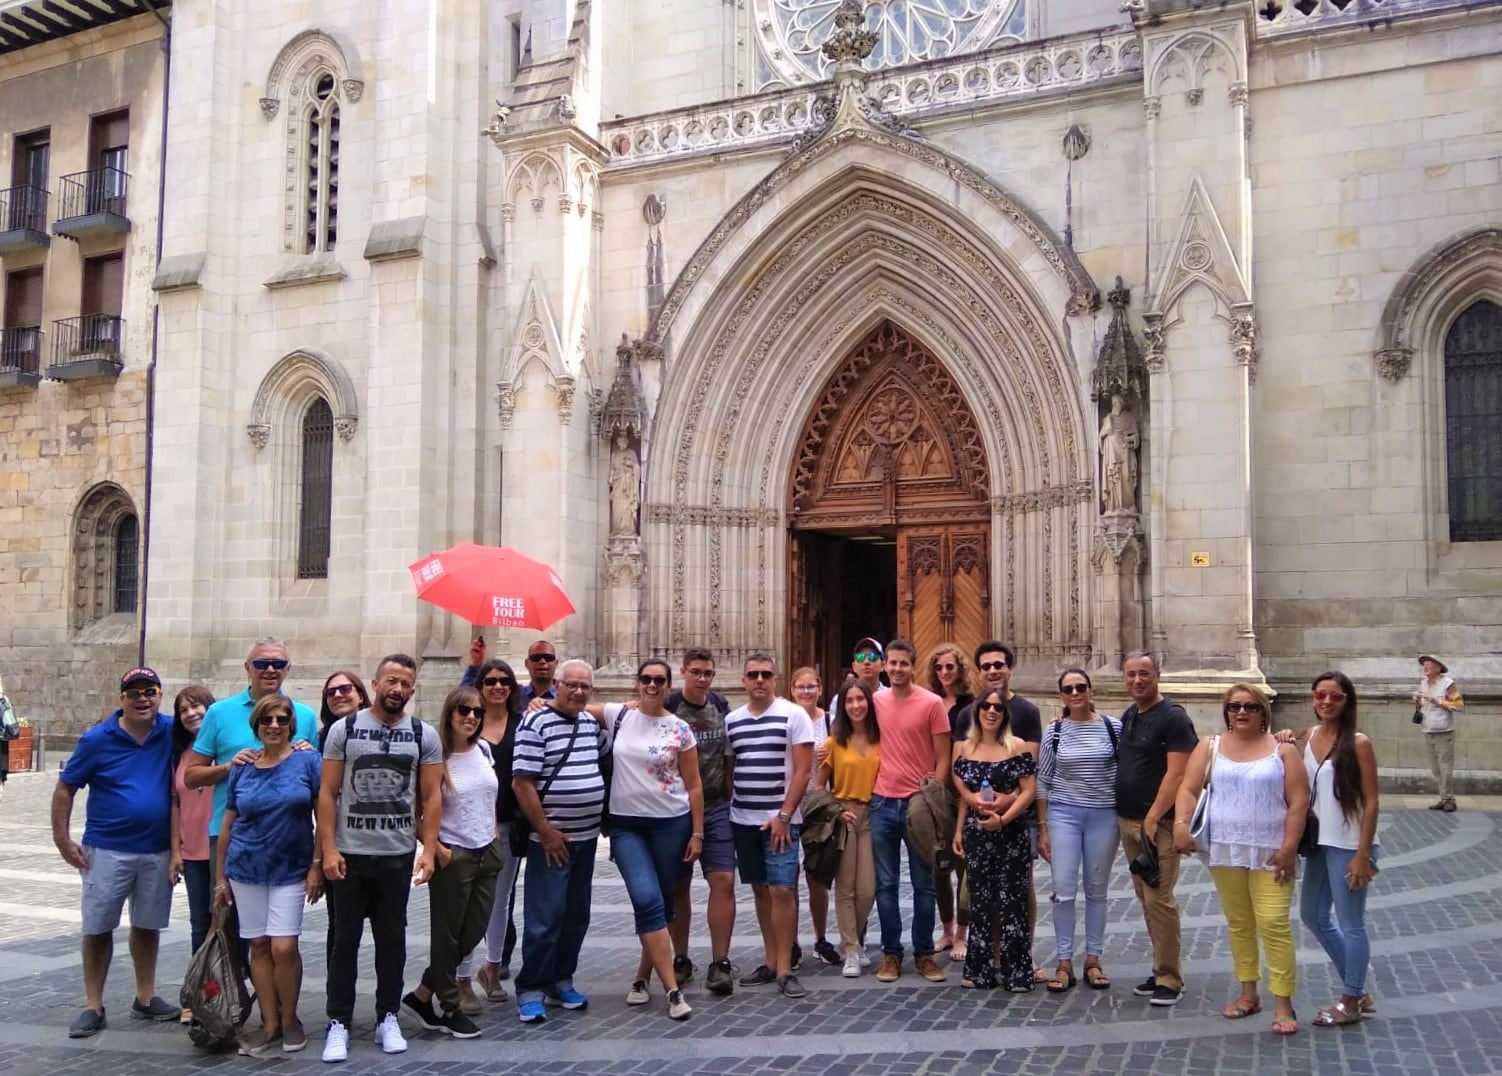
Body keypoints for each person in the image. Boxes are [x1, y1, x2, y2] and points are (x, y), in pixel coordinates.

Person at [318, 654, 444, 1062]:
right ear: (374, 683)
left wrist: (428, 848)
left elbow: (430, 795)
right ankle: (337, 1021)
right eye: (392, 680)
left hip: (395, 855)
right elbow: (327, 793)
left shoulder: (423, 734)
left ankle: (387, 1015)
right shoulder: (345, 729)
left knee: (392, 940)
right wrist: (330, 849)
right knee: (344, 942)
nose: (398, 689)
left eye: (406, 684)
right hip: (350, 855)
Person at [52, 667, 181, 1038]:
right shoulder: (97, 739)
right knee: (97, 928)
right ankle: (93, 1004)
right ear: (122, 698)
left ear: (159, 695)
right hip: (106, 849)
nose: (143, 699)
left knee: (147, 925)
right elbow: (65, 789)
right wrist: (63, 840)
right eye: (134, 692)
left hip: (157, 849)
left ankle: (145, 997)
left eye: (150, 691)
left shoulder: (172, 731)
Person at [1173, 684, 1307, 1036]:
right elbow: (1187, 788)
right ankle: (1249, 993)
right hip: (1225, 848)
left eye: (1250, 706)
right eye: (1234, 707)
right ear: (1226, 712)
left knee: (1274, 922)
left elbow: (1298, 801)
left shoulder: (1284, 751)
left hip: (1271, 851)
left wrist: (1290, 847)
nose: (1241, 712)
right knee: (1239, 923)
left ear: (1264, 711)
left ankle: (1283, 1001)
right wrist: (1181, 824)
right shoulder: (1210, 746)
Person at [213, 693, 325, 1055]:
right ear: (256, 726)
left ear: (291, 724)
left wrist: (317, 865)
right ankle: (270, 1022)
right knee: (258, 945)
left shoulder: (308, 761)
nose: (274, 725)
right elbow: (228, 824)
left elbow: (324, 816)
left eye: (281, 719)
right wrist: (220, 877)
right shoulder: (242, 766)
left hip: (291, 867)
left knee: (284, 945)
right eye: (267, 720)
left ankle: (290, 1018)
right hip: (245, 867)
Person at [597, 659, 702, 1020]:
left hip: (670, 824)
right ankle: (673, 990)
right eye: (646, 679)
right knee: (646, 898)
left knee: (658, 905)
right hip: (626, 826)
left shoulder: (679, 729)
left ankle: (642, 977)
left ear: (669, 684)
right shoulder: (618, 715)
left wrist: (698, 832)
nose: (652, 685)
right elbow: (574, 700)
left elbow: (694, 785)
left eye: (659, 680)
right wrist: (536, 701)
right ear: (637, 682)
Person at [403, 687, 502, 1040]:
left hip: (487, 852)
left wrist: (492, 833)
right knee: (447, 936)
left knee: (473, 931)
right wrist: (435, 848)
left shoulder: (484, 750)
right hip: (453, 854)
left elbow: (489, 796)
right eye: (463, 710)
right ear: (449, 713)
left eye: (477, 712)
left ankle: (421, 995)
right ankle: (448, 1007)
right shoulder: (435, 757)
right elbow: (415, 810)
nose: (471, 717)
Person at [511, 659, 606, 1024]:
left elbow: (604, 759)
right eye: (572, 685)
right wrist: (547, 832)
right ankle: (530, 987)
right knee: (545, 918)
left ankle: (560, 980)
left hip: (585, 839)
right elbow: (522, 782)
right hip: (550, 840)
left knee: (576, 916)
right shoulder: (534, 722)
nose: (579, 691)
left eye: (586, 687)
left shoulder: (588, 724)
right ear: (557, 685)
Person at [185, 638, 319, 878]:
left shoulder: (306, 716)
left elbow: (318, 787)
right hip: (231, 831)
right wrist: (229, 766)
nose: (270, 669)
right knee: (225, 912)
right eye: (261, 663)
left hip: (287, 836)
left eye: (278, 663)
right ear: (247, 668)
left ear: (288, 669)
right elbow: (191, 777)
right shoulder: (218, 713)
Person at [725, 653, 816, 998]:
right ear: (744, 680)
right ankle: (769, 959)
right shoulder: (731, 720)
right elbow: (732, 769)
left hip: (780, 821)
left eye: (766, 674)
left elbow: (804, 771)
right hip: (743, 819)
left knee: (783, 889)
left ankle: (784, 967)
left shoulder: (794, 715)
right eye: (753, 675)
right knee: (761, 890)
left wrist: (783, 815)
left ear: (775, 679)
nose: (759, 680)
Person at [1297, 671, 1381, 1029]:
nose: (1327, 702)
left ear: (1348, 701)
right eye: (1321, 695)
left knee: (1352, 924)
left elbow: (1373, 802)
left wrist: (1363, 855)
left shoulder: (1358, 743)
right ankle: (1358, 988)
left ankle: (1351, 999)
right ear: (1313, 698)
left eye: (1336, 696)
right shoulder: (1309, 735)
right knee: (1312, 915)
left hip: (1349, 845)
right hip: (1318, 843)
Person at [1115, 650, 1197, 1007]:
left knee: (1160, 899)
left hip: (1157, 825)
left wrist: (1153, 817)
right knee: (1145, 898)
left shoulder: (1173, 717)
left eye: (1144, 673)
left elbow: (1178, 773)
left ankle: (1170, 978)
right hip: (1128, 821)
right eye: (1131, 674)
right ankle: (1159, 967)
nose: (1137, 680)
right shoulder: (1130, 714)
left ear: (1157, 675)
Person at [871, 639, 951, 984]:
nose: (897, 669)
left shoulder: (932, 703)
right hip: (882, 802)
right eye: (892, 663)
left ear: (913, 666)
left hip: (919, 805)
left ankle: (924, 954)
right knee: (885, 885)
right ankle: (891, 953)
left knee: (925, 884)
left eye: (904, 663)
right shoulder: (874, 701)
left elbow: (944, 757)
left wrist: (932, 796)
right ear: (884, 666)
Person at [1036, 668, 1120, 992]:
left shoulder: (1113, 727)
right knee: (1063, 891)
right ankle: (1063, 962)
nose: (1075, 693)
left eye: (1080, 687)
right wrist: (1043, 827)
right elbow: (1043, 780)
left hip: (1104, 816)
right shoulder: (1054, 732)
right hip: (1063, 817)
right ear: (1061, 696)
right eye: (1068, 689)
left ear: (1091, 690)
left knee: (1097, 890)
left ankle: (1094, 960)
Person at [950, 686, 1037, 991]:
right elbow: (965, 795)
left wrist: (1004, 818)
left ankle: (1017, 972)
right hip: (976, 836)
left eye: (997, 708)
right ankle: (980, 970)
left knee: (1013, 902)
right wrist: (959, 830)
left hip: (1011, 834)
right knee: (981, 901)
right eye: (985, 706)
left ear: (1005, 714)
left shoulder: (1017, 746)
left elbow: (1028, 791)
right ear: (976, 711)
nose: (991, 712)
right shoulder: (966, 748)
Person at [664, 647, 738, 995]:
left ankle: (720, 963)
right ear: (683, 672)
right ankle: (680, 958)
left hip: (716, 806)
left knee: (723, 879)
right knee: (679, 885)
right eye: (696, 672)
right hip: (677, 808)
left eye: (707, 672)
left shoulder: (721, 706)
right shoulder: (668, 705)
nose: (702, 678)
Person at [468, 658, 524, 1004]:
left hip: (507, 823)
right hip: (470, 825)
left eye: (504, 680)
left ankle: (492, 967)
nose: (498, 686)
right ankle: (461, 975)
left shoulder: (522, 723)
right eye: (490, 681)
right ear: (480, 686)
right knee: (469, 901)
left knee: (499, 901)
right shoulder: (468, 723)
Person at [818, 678, 881, 978]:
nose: (856, 705)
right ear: (842, 706)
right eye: (849, 701)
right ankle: (852, 950)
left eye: (861, 699)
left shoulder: (881, 738)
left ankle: (851, 941)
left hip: (872, 814)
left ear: (870, 702)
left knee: (867, 889)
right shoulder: (833, 742)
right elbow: (818, 788)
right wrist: (836, 811)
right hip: (844, 814)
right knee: (846, 888)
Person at [924, 642, 974, 955]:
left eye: (950, 667)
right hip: (932, 791)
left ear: (960, 670)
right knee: (938, 863)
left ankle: (962, 933)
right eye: (939, 667)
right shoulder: (928, 702)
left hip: (962, 790)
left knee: (965, 865)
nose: (944, 673)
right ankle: (945, 929)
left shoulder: (973, 705)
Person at [790, 665, 837, 969]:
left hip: (819, 807)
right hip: (789, 806)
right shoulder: (785, 718)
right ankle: (790, 942)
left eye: (811, 687)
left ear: (820, 689)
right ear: (791, 690)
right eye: (800, 687)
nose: (806, 692)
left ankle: (820, 939)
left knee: (817, 878)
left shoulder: (831, 722)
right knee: (786, 879)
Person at [171, 686, 216, 964]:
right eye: (183, 710)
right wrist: (176, 851)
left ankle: (230, 991)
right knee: (199, 924)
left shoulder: (224, 746)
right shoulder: (180, 752)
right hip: (193, 852)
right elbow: (175, 803)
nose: (190, 714)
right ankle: (203, 994)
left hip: (222, 848)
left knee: (226, 923)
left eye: (196, 706)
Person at [1414, 655, 1463, 813]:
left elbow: (1459, 705)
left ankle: (1450, 800)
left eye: (1429, 664)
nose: (1425, 667)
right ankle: (1443, 798)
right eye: (1424, 665)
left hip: (1444, 731)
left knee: (1445, 768)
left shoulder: (1447, 684)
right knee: (1435, 768)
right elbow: (1422, 707)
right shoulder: (1423, 683)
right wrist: (1416, 700)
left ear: (1438, 668)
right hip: (1428, 729)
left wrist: (1438, 701)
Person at [318, 671, 371, 748]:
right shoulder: (323, 737)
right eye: (330, 692)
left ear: (361, 697)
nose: (337, 695)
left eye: (345, 689)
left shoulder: (380, 730)